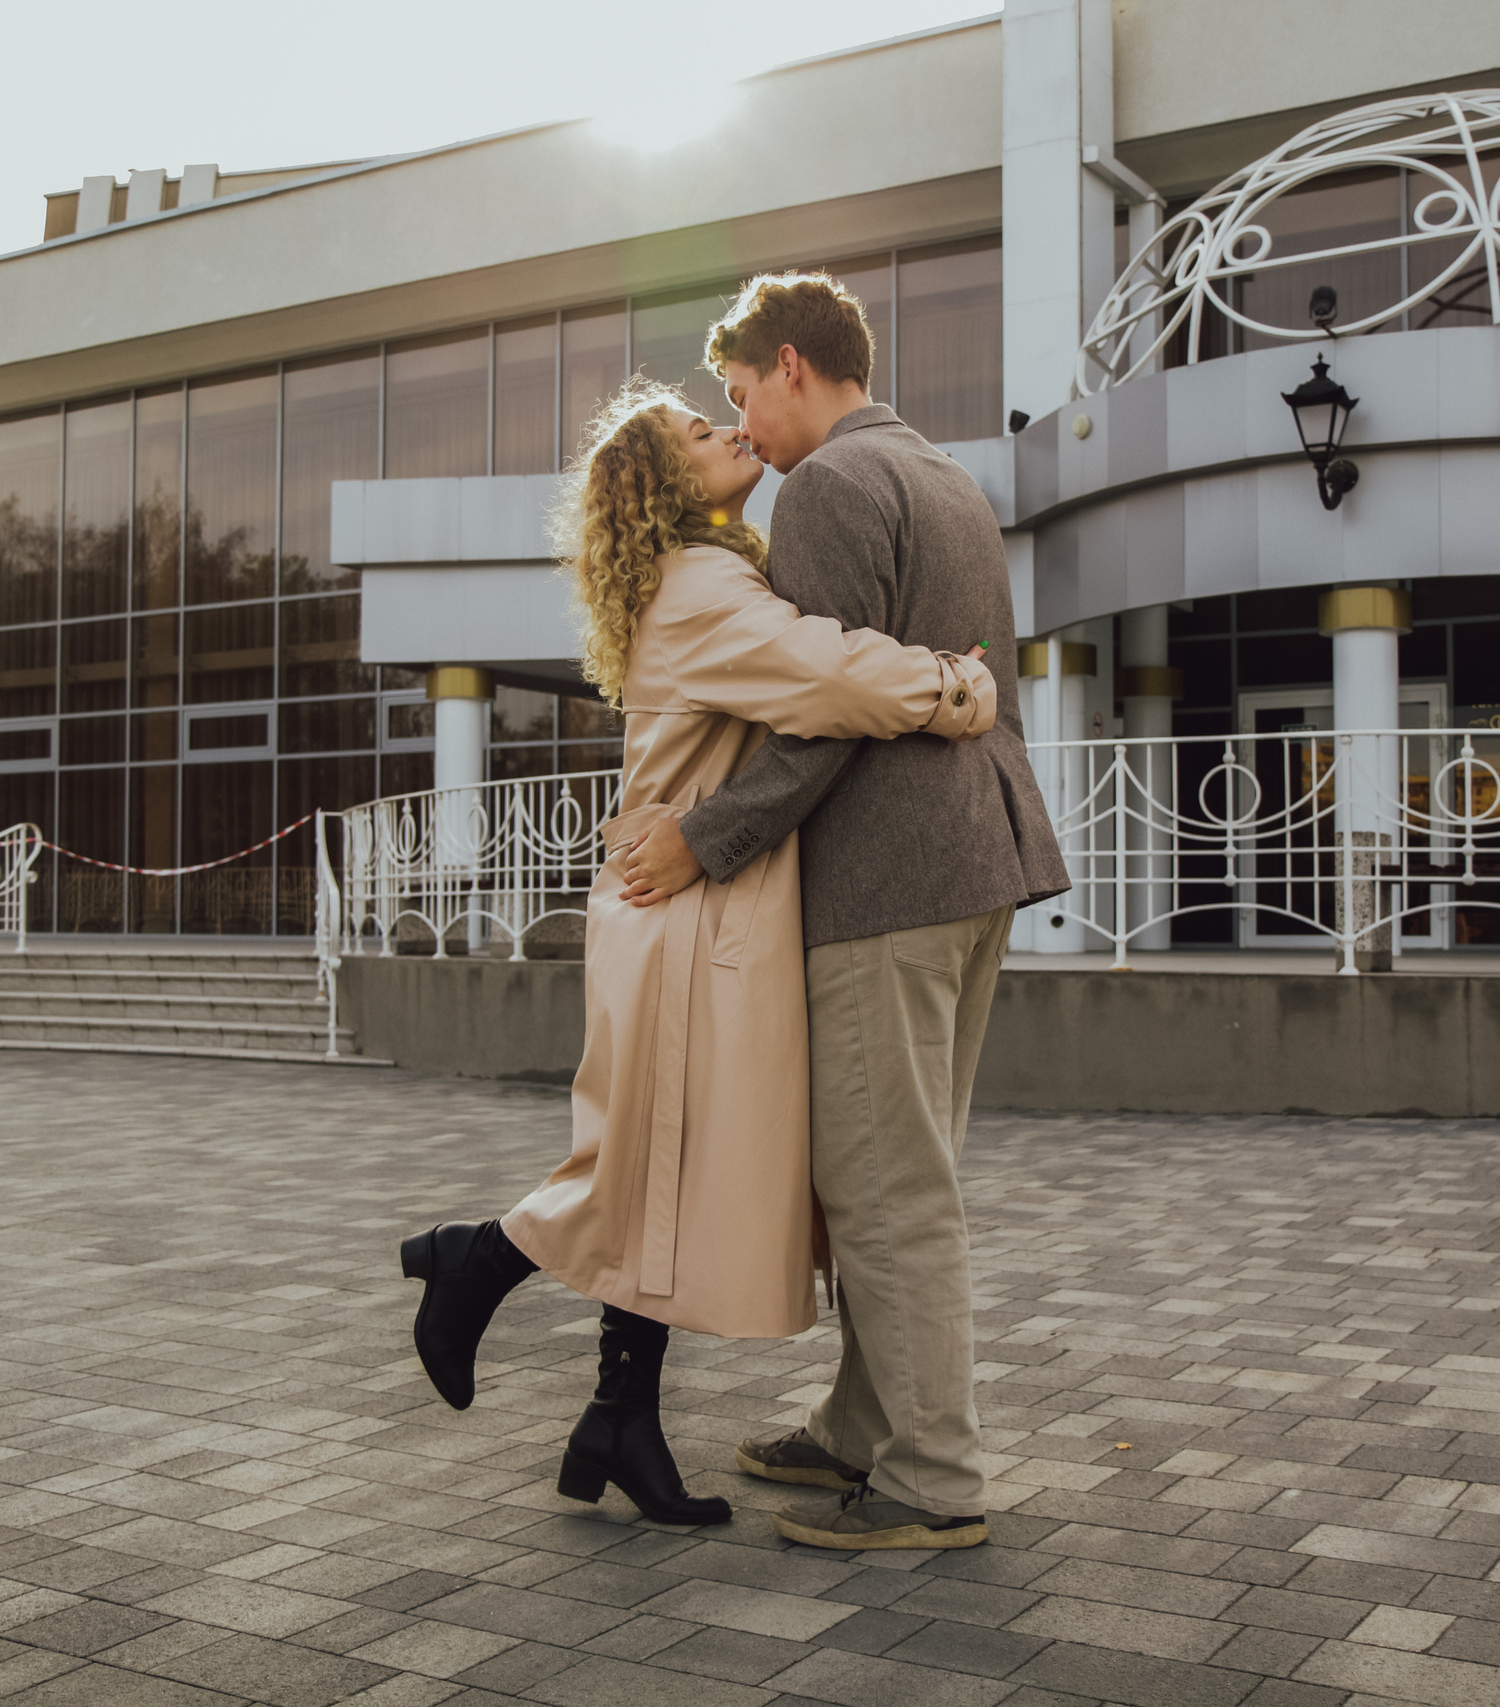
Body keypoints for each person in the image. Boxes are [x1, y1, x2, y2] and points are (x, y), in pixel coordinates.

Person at [400, 378, 999, 1528]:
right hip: (687, 914)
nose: (728, 429)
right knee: (646, 1169)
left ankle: (615, 1419)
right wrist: (955, 685)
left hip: (690, 905)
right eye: (695, 430)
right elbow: (825, 676)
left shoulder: (708, 572)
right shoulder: (701, 584)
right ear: (660, 485)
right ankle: (478, 1256)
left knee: (657, 1168)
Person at [618, 274, 1068, 1551]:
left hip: (884, 881)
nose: (741, 420)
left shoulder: (825, 486)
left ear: (795, 364)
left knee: (884, 1189)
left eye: (743, 390)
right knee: (897, 1171)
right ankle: (860, 1430)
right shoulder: (942, 475)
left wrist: (702, 840)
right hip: (979, 865)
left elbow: (817, 713)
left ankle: (929, 1481)